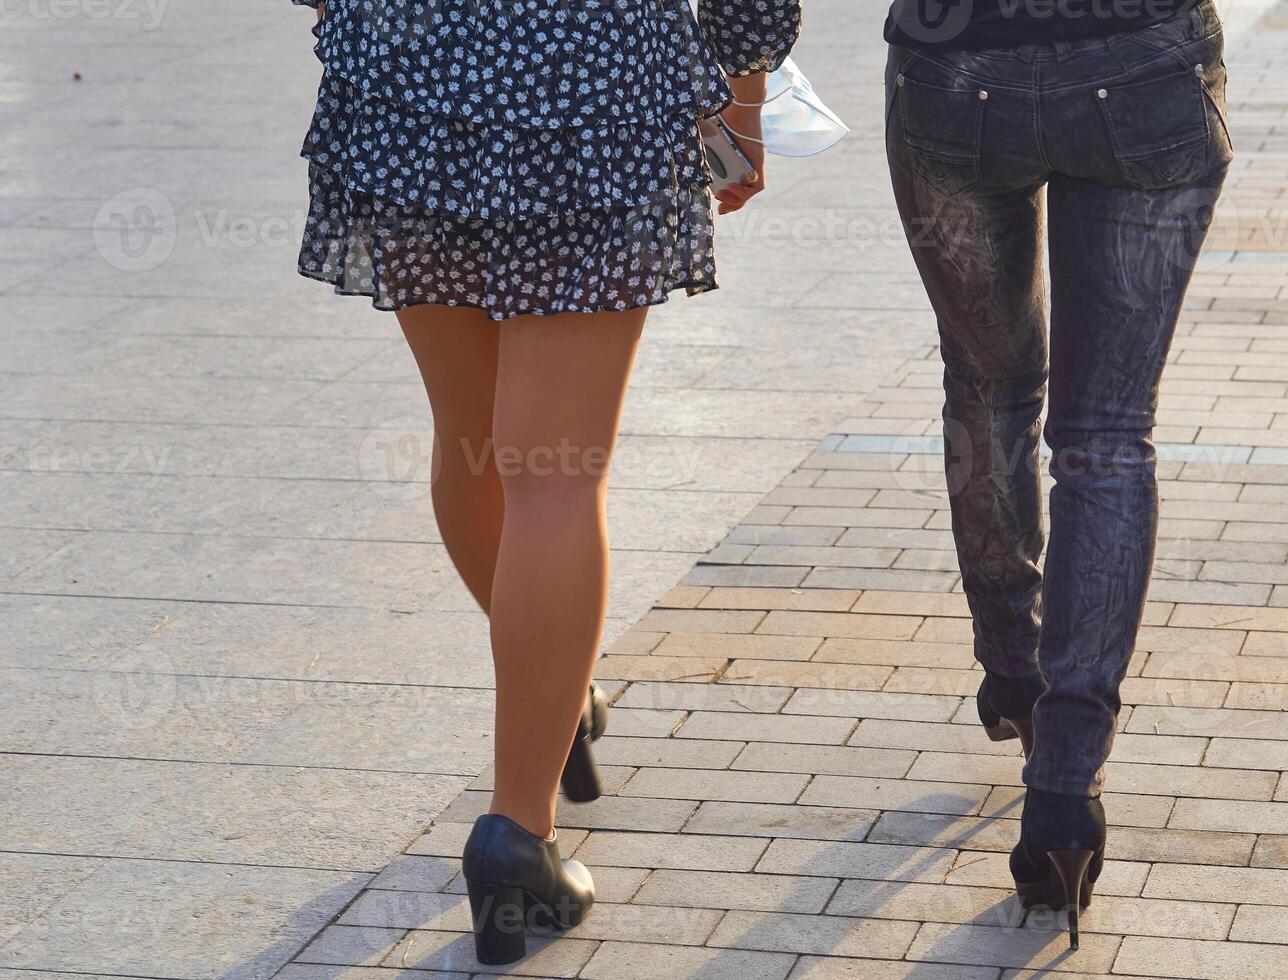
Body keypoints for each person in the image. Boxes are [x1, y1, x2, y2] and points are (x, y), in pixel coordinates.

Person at [291, 0, 801, 964]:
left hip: (401, 79)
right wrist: (744, 87)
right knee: (554, 477)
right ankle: (516, 837)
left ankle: (551, 696)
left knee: (472, 438)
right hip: (594, 75)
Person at [885, 0, 1232, 948]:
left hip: (954, 69)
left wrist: (746, 74)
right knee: (1107, 439)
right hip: (1146, 59)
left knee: (990, 394)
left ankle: (1013, 672)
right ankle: (1064, 794)